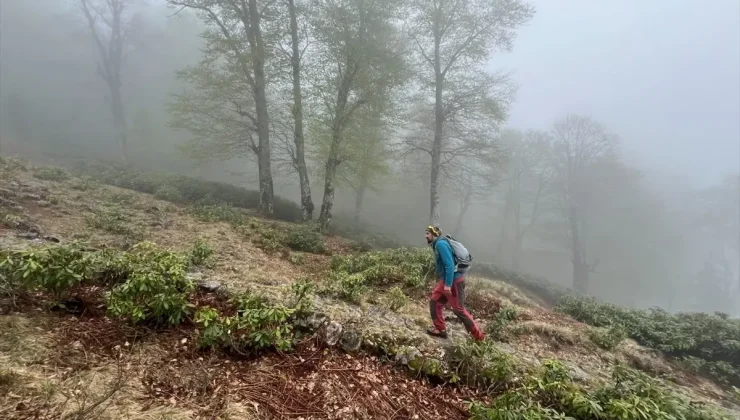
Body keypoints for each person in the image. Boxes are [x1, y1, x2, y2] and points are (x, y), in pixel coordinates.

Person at [424, 225, 485, 341]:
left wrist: (447, 284)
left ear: (433, 234)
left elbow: (449, 264)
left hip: (454, 281)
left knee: (459, 310)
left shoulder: (441, 244)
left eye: (427, 233)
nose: (425, 236)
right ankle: (440, 329)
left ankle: (479, 337)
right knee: (435, 301)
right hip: (446, 279)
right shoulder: (437, 244)